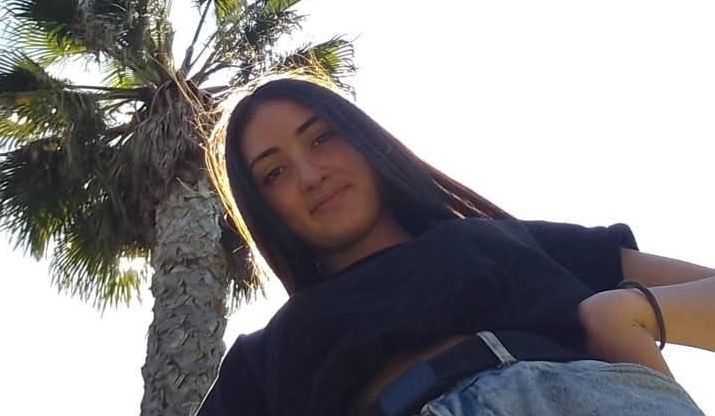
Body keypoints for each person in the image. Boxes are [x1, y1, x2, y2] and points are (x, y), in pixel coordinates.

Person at [196, 76, 714, 416]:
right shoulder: (264, 355)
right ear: (265, 208)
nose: (310, 176)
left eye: (321, 138)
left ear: (362, 140)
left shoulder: (502, 238)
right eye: (275, 173)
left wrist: (626, 312)